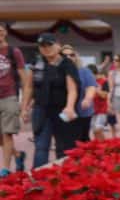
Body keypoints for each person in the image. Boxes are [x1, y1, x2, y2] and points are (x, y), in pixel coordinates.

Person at [21, 33, 80, 169]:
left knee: (63, 147)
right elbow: (29, 87)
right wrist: (24, 108)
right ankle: (38, 179)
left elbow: (72, 89)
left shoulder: (67, 63)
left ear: (57, 45)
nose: (46, 48)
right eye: (42, 46)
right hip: (41, 110)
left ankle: (64, 178)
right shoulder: (37, 63)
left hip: (61, 110)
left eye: (49, 45)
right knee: (41, 146)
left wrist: (70, 107)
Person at [0, 24, 30, 176]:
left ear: (5, 33)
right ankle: (18, 155)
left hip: (9, 96)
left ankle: (4, 169)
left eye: (0, 30)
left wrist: (24, 105)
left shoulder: (14, 51)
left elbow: (25, 79)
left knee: (7, 133)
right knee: (1, 136)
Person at [61, 45, 97, 142]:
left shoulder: (84, 71)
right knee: (66, 139)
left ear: (76, 57)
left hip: (82, 111)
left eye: (71, 55)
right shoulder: (57, 72)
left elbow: (91, 87)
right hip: (63, 111)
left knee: (82, 138)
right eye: (65, 55)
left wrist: (87, 99)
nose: (68, 57)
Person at [87, 64, 112, 141]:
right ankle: (99, 147)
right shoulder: (88, 82)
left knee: (98, 129)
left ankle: (104, 145)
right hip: (92, 110)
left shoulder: (103, 81)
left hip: (102, 110)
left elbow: (104, 95)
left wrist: (95, 89)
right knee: (94, 131)